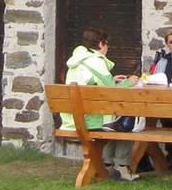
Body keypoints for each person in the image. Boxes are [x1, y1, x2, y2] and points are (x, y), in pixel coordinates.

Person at [60, 29, 140, 181]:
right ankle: (122, 167)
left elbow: (92, 82)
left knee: (114, 119)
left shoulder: (78, 60)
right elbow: (112, 91)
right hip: (91, 120)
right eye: (107, 44)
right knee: (125, 123)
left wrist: (113, 79)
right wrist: (131, 81)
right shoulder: (97, 62)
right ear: (101, 44)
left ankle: (108, 164)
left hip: (72, 119)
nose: (108, 47)